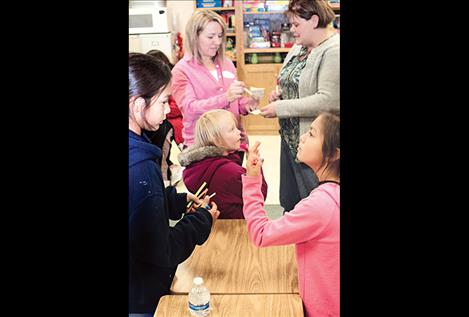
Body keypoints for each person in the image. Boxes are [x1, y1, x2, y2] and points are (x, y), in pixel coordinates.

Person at [128, 52, 220, 317]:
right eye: (164, 101)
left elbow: (138, 210)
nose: (169, 109)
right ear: (137, 106)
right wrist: (202, 220)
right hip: (141, 296)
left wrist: (177, 201)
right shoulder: (141, 167)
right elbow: (163, 251)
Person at [242, 111, 340, 317]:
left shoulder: (320, 206)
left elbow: (260, 234)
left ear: (333, 154)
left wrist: (252, 180)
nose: (302, 137)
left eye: (312, 134)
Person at [260, 0, 340, 212]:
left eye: (296, 24)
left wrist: (281, 108)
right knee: (291, 204)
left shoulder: (334, 50)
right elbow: (289, 82)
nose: (291, 30)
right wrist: (279, 95)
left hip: (317, 146)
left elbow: (329, 100)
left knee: (315, 207)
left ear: (314, 20)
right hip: (291, 139)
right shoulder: (298, 48)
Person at [171, 10, 259, 159]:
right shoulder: (181, 70)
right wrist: (226, 97)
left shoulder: (227, 63)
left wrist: (247, 105)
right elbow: (190, 108)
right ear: (194, 37)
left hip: (233, 143)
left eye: (220, 36)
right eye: (211, 37)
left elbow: (234, 103)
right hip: (203, 147)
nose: (217, 42)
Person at [178, 109, 268, 219]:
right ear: (216, 140)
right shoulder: (230, 172)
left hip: (212, 226)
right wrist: (255, 170)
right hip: (236, 227)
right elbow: (259, 195)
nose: (239, 132)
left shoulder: (198, 165)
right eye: (232, 129)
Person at [144, 49, 184, 185]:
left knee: (162, 157)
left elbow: (179, 107)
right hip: (159, 124)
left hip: (169, 127)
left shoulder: (171, 81)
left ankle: (166, 181)